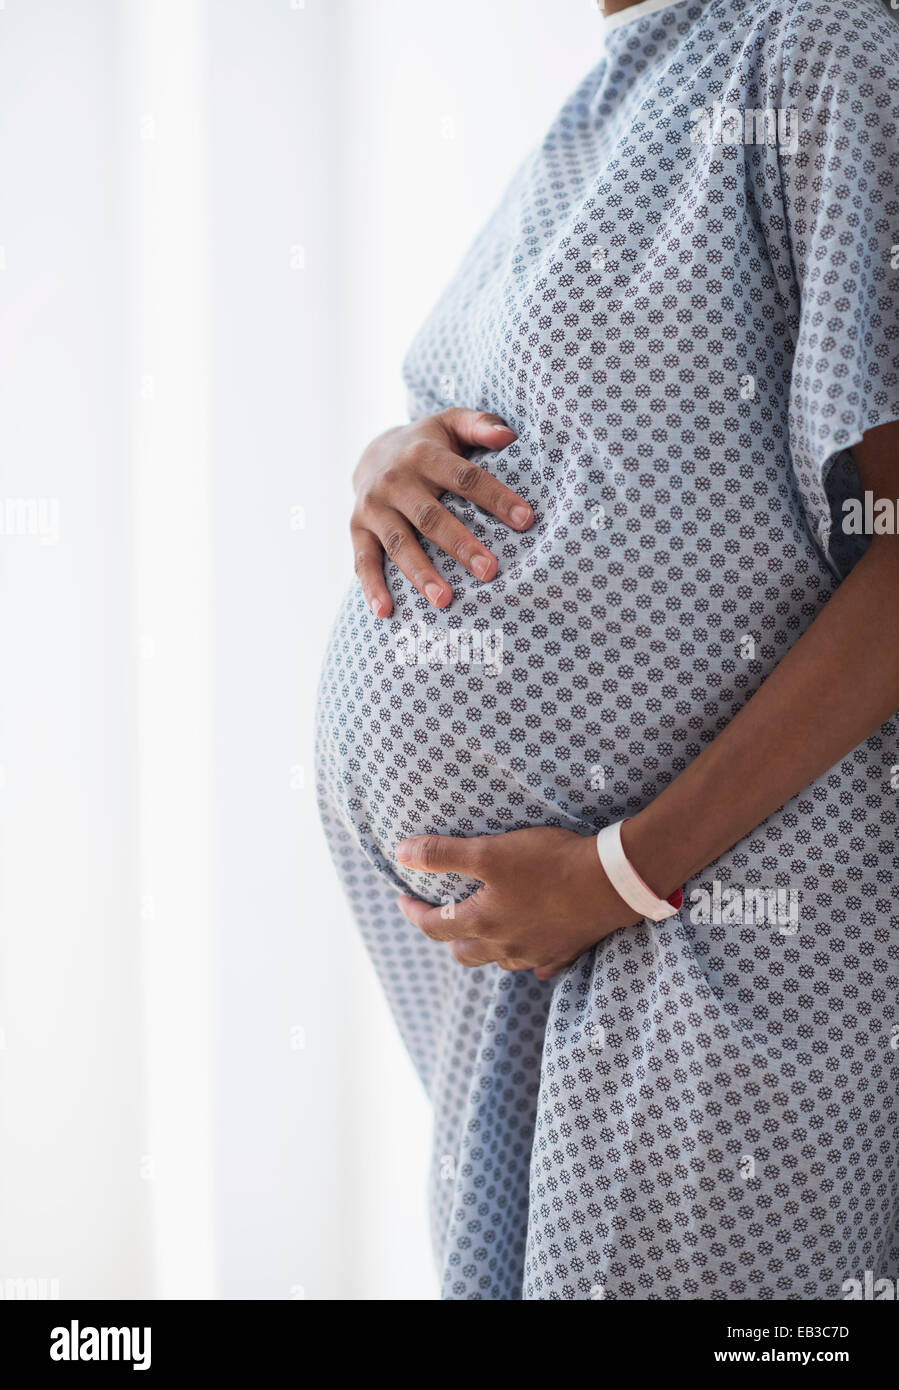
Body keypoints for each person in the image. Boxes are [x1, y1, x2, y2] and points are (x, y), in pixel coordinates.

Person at [316, 0, 899, 1299]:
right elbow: (512, 435)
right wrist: (384, 466)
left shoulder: (819, 42)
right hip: (544, 969)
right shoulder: (608, 103)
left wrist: (627, 874)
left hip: (727, 942)